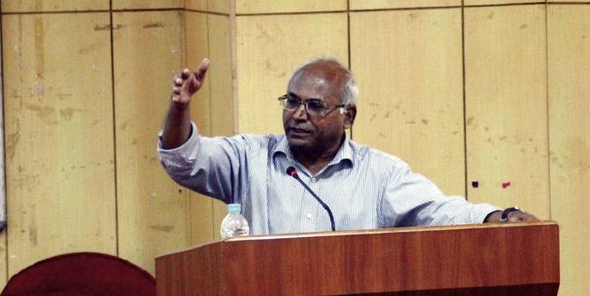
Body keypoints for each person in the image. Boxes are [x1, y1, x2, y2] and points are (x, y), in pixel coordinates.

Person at [158, 57, 535, 234]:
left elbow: (436, 210)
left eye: (314, 106)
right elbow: (183, 161)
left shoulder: (380, 174)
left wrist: (495, 216)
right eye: (292, 101)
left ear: (348, 116)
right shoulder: (250, 158)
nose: (298, 114)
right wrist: (180, 108)